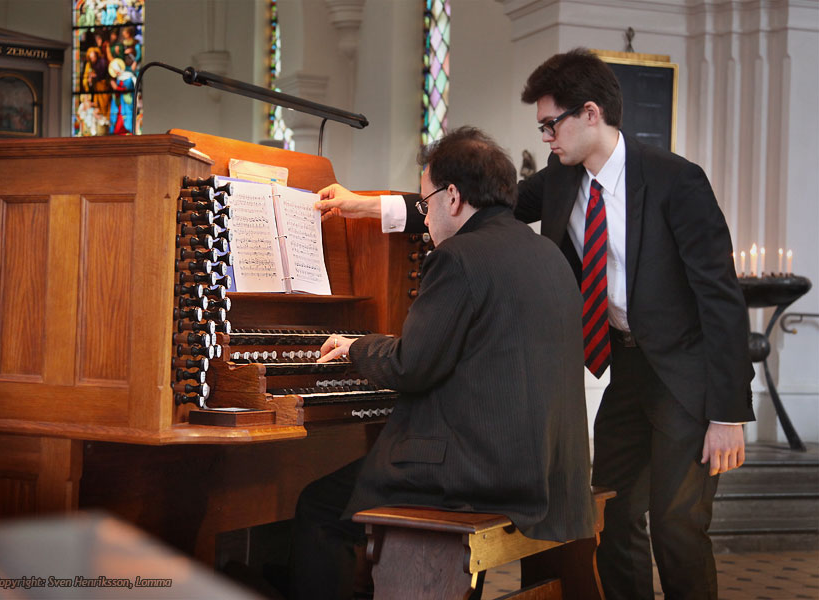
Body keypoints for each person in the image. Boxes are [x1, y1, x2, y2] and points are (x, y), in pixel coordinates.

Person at [316, 49, 755, 600]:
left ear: (590, 113)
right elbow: (472, 202)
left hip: (687, 376)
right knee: (615, 520)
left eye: (551, 124)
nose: (546, 137)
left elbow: (721, 298)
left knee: (677, 526)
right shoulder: (562, 178)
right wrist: (367, 207)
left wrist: (728, 412)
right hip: (627, 366)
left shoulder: (675, 181)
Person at [291, 127, 595, 600]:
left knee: (318, 506)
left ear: (453, 197)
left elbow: (411, 367)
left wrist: (356, 347)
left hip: (481, 472)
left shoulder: (459, 256)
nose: (426, 217)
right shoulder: (546, 253)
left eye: (426, 202)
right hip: (549, 465)